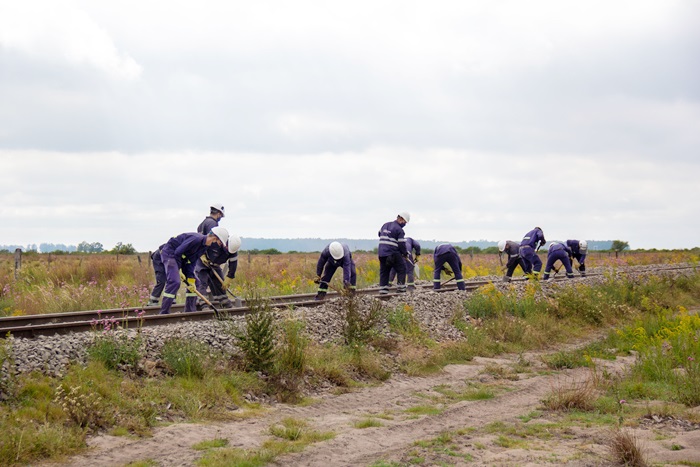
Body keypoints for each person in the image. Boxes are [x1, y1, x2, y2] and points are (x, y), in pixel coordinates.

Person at [159, 227, 229, 315]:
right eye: (219, 242)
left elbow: (192, 261)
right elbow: (178, 252)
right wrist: (178, 270)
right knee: (175, 281)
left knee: (195, 283)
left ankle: (190, 311)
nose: (218, 245)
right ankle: (164, 312)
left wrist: (190, 278)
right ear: (215, 238)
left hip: (182, 258)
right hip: (170, 254)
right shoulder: (196, 239)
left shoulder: (204, 247)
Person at [195, 235, 242, 310]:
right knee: (202, 283)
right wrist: (202, 255)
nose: (227, 250)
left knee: (220, 283)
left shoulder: (233, 251)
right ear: (226, 243)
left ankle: (224, 302)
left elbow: (233, 265)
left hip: (215, 265)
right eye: (227, 248)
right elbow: (201, 245)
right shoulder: (216, 241)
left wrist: (229, 277)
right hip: (202, 263)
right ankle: (203, 304)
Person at [195, 203, 226, 303]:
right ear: (218, 213)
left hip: (201, 258)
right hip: (208, 259)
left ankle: (209, 302)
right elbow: (213, 243)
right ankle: (222, 303)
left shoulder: (202, 224)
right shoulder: (213, 224)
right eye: (221, 215)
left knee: (204, 282)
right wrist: (214, 258)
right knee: (217, 282)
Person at [377, 212, 410, 294]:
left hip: (381, 253)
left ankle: (383, 290)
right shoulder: (399, 230)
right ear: (401, 219)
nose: (404, 224)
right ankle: (401, 289)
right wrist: (405, 254)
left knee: (384, 271)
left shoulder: (385, 225)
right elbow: (401, 244)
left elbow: (379, 234)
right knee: (402, 269)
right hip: (392, 253)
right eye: (405, 222)